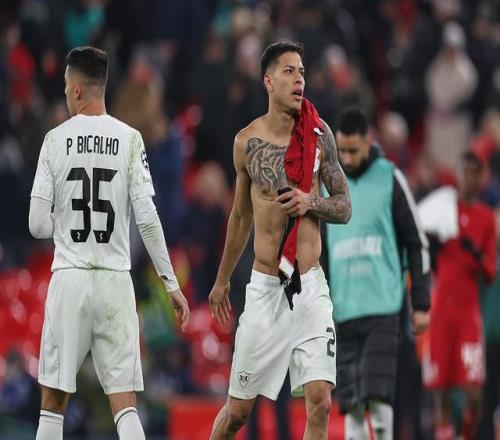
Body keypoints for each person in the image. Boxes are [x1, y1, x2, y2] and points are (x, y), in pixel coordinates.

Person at [28, 46, 190, 440]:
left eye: (66, 86)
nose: (65, 93)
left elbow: (36, 225)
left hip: (70, 279)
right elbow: (148, 218)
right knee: (125, 404)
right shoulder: (130, 139)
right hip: (116, 281)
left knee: (53, 403)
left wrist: (66, 226)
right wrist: (171, 283)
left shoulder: (54, 140)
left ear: (77, 90)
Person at [208, 41, 352, 440]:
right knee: (237, 413)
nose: (299, 79)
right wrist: (222, 279)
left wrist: (311, 202)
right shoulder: (246, 143)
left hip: (310, 287)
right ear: (268, 81)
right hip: (266, 290)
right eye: (289, 71)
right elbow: (240, 218)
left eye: (302, 72)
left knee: (320, 402)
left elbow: (344, 206)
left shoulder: (319, 135)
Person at [325, 108, 431, 440]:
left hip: (383, 309)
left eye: (353, 150)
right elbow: (319, 251)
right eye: (341, 150)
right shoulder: (329, 185)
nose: (346, 158)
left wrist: (421, 304)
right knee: (352, 406)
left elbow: (416, 242)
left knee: (379, 398)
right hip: (343, 311)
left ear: (368, 143)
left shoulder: (389, 177)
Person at [420, 152, 497, 440]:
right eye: (465, 173)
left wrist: (476, 254)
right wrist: (431, 247)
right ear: (458, 175)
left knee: (474, 394)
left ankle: (465, 435)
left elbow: (490, 272)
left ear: (481, 178)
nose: (469, 179)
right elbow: (421, 244)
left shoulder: (486, 218)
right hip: (441, 314)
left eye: (475, 174)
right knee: (441, 391)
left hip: (468, 316)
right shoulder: (441, 210)